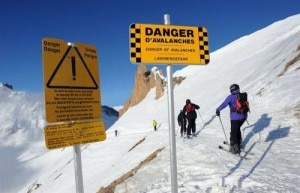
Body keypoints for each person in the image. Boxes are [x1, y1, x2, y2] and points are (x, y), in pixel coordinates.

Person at [216, 84, 248, 154]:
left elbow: (224, 104)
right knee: (237, 129)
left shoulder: (230, 97)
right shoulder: (242, 96)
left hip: (235, 118)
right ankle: (239, 143)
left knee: (233, 132)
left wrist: (218, 109)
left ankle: (235, 148)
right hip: (244, 117)